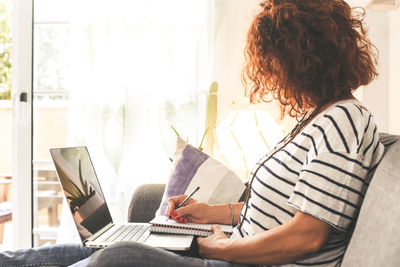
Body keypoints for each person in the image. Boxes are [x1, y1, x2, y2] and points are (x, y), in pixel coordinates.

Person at [0, 0, 385, 266]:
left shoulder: (344, 123)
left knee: (117, 257)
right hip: (236, 252)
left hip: (244, 262)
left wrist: (222, 250)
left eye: (274, 60)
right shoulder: (320, 118)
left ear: (303, 60)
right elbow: (281, 210)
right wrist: (210, 213)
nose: (270, 72)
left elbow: (307, 235)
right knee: (97, 248)